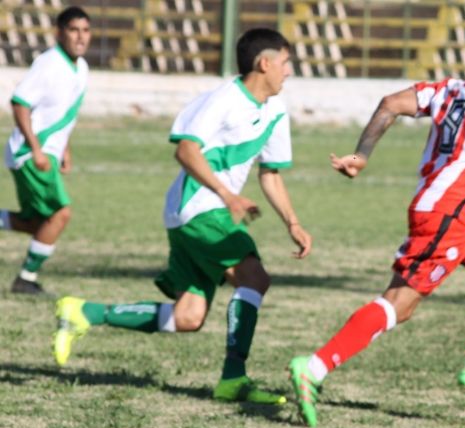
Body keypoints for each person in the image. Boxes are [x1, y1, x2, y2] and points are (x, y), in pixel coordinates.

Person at [288, 27, 465, 427]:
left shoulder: (451, 89)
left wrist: (362, 154)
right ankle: (315, 367)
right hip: (450, 217)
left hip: (458, 216)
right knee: (399, 304)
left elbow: (390, 103)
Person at [53, 28, 312, 405]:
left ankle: (84, 312)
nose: (289, 71)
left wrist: (293, 223)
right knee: (254, 277)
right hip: (198, 207)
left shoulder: (275, 109)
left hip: (202, 212)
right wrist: (228, 195)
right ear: (265, 63)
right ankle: (233, 379)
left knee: (188, 317)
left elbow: (270, 173)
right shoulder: (222, 101)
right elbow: (186, 151)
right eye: (286, 63)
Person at [1, 7, 91, 295]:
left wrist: (65, 148)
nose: (80, 37)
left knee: (36, 223)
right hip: (31, 154)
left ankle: (26, 277)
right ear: (59, 32)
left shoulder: (81, 67)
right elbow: (19, 103)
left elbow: (62, 114)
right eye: (73, 30)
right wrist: (38, 149)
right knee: (59, 215)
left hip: (46, 153)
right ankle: (26, 279)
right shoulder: (49, 64)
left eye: (85, 30)